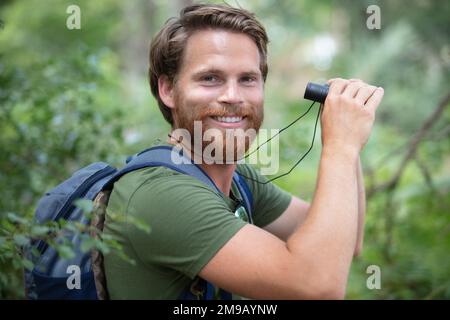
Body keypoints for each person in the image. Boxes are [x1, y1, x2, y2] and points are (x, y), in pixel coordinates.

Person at [102, 3, 384, 299]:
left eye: (248, 79)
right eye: (210, 78)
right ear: (168, 90)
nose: (233, 97)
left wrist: (348, 134)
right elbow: (318, 287)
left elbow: (343, 242)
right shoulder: (161, 193)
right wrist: (341, 145)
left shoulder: (237, 180)